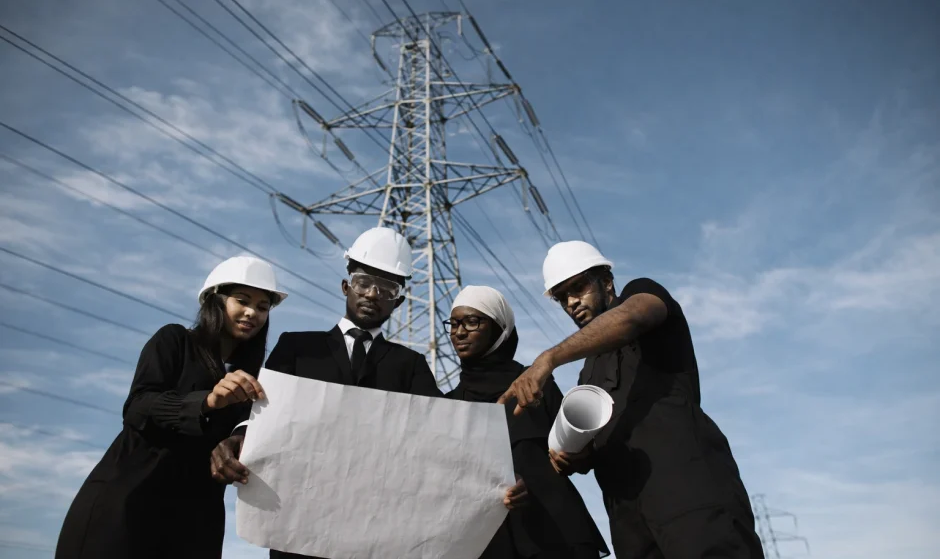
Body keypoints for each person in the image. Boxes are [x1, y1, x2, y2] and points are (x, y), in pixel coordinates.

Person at [210, 228, 527, 559]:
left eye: (387, 289)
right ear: (346, 286)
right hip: (300, 524)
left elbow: (446, 434)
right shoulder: (297, 347)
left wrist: (498, 474)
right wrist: (239, 437)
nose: (373, 294)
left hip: (377, 533)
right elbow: (263, 407)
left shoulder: (411, 365)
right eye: (363, 283)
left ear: (399, 301)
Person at [497, 241, 765, 559]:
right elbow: (592, 452)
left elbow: (634, 317)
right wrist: (574, 457)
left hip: (689, 494)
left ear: (607, 281)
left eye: (578, 287)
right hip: (629, 523)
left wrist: (548, 358)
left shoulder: (642, 295)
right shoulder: (588, 374)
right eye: (561, 297)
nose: (571, 302)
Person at [55, 255, 287, 559]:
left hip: (195, 523)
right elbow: (138, 407)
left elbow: (249, 437)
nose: (251, 312)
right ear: (215, 302)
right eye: (242, 300)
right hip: (129, 504)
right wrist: (206, 401)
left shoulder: (255, 382)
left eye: (262, 307)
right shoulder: (174, 341)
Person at [445, 285, 610, 559]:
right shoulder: (450, 404)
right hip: (490, 544)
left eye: (472, 322)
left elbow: (582, 455)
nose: (459, 332)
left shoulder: (534, 383)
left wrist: (573, 457)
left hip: (555, 534)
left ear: (500, 329)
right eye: (453, 324)